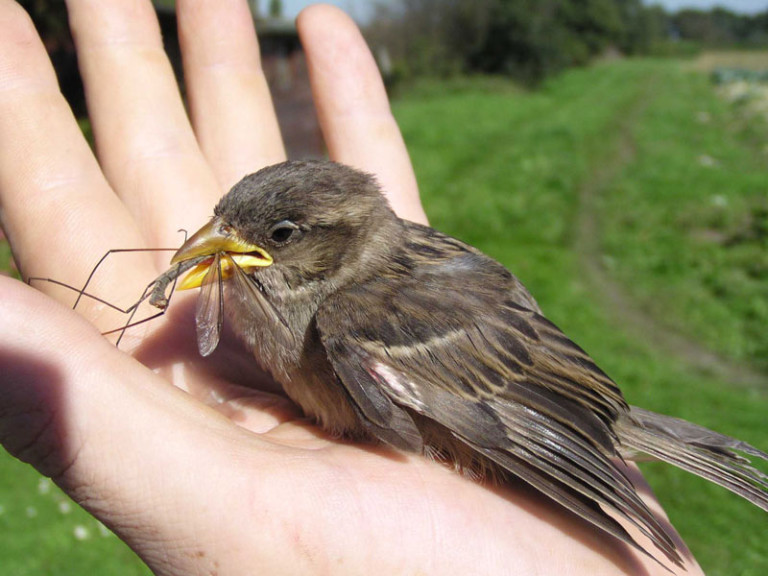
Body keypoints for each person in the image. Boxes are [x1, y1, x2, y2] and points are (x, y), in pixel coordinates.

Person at [0, 1, 703, 574]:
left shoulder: (360, 317)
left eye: (279, 236)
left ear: (339, 241)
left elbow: (507, 409)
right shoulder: (291, 287)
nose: (220, 249)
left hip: (544, 411)